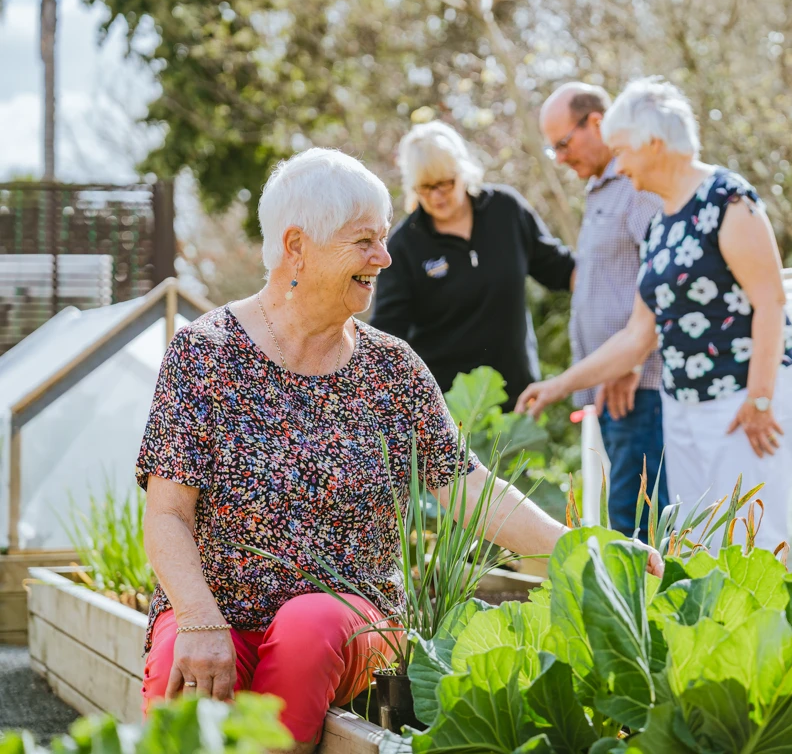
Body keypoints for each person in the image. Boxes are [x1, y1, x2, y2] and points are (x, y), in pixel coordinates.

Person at [137, 148, 662, 750]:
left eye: (384, 239)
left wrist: (578, 546)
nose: (384, 258)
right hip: (215, 611)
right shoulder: (204, 354)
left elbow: (466, 489)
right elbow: (168, 513)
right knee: (181, 664)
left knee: (308, 627)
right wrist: (201, 621)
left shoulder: (391, 369)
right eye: (365, 242)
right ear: (296, 247)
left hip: (345, 619)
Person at [518, 78, 792, 552]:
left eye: (624, 150)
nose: (620, 163)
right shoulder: (664, 224)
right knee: (695, 541)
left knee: (753, 540)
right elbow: (637, 336)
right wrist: (560, 384)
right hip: (684, 403)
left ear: (653, 144)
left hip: (740, 400)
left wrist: (760, 399)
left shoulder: (727, 199)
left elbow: (770, 301)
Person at [371, 121, 575, 411]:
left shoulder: (506, 211)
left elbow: (560, 269)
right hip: (448, 409)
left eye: (445, 183)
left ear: (463, 173)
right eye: (426, 188)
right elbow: (389, 334)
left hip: (517, 397)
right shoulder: (405, 245)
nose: (437, 196)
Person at [539, 83, 667, 538]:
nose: (559, 157)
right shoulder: (600, 190)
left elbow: (663, 279)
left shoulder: (636, 186)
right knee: (626, 516)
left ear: (595, 122)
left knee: (640, 525)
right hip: (611, 388)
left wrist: (634, 361)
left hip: (639, 388)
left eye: (562, 144)